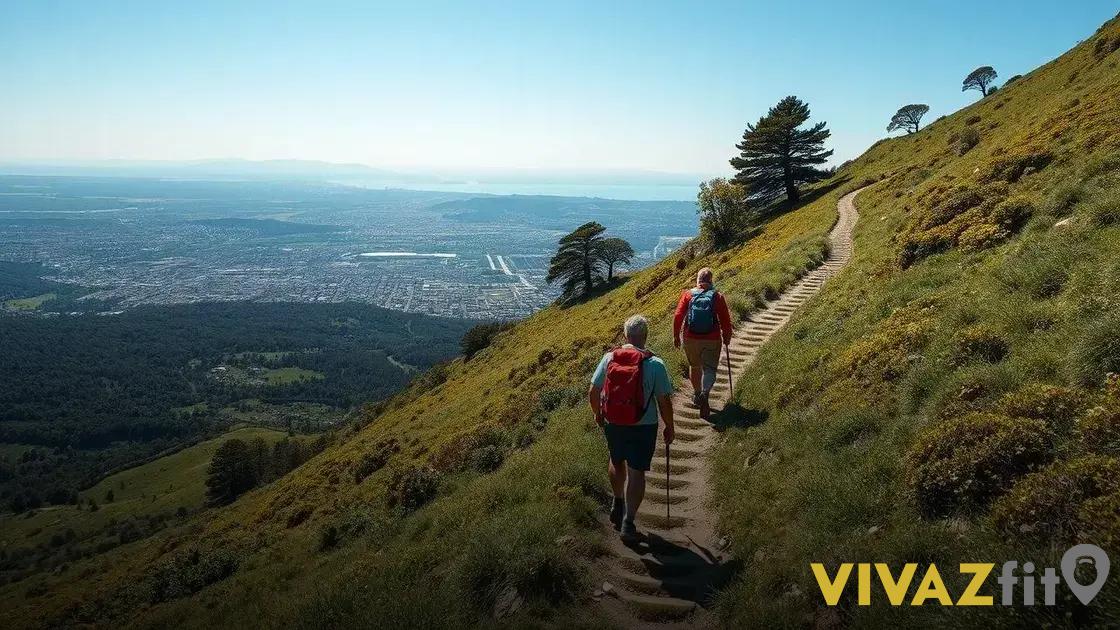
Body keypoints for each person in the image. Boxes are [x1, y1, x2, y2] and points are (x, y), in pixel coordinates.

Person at [589, 314, 675, 538]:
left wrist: (598, 414)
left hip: (613, 421)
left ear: (625, 335)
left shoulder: (609, 358)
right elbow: (664, 400)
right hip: (644, 425)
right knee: (637, 472)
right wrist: (670, 425)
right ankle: (628, 521)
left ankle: (617, 501)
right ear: (645, 336)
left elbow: (593, 391)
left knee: (616, 459)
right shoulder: (655, 363)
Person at [672, 267, 732, 420]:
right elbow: (725, 319)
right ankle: (706, 393)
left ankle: (698, 394)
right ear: (711, 280)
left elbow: (678, 315)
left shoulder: (688, 295)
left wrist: (676, 336)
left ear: (697, 280)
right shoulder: (717, 296)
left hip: (690, 337)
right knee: (710, 368)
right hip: (712, 338)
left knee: (695, 366)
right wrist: (727, 336)